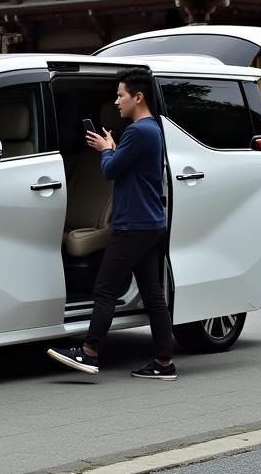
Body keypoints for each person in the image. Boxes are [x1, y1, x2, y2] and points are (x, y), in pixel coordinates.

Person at [46, 67, 176, 380]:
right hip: (151, 224)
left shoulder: (137, 131)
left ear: (138, 97)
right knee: (154, 296)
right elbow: (130, 167)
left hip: (132, 226)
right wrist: (114, 149)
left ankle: (89, 352)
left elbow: (110, 171)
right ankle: (163, 362)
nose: (116, 102)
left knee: (104, 289)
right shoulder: (152, 129)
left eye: (120, 95)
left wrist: (105, 151)